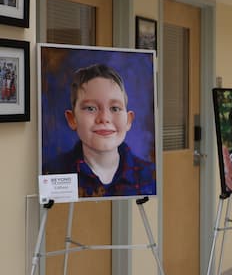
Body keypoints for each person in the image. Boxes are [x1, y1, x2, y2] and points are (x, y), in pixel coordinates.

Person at [43, 63, 155, 197]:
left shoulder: (151, 176)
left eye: (114, 108)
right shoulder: (52, 173)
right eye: (91, 108)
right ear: (72, 119)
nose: (104, 118)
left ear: (128, 120)